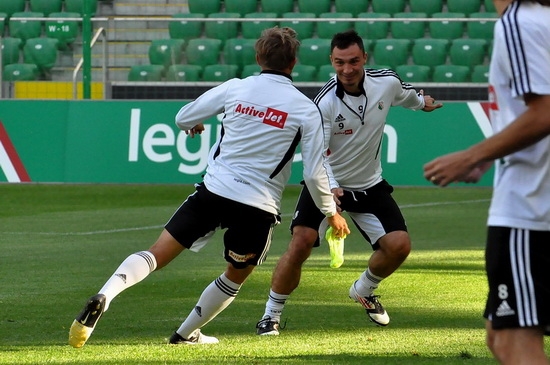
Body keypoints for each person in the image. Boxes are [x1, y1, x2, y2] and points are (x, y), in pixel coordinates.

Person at [68, 26, 350, 348]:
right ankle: (185, 333)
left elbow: (183, 116)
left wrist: (193, 124)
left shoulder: (236, 88)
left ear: (258, 57)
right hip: (257, 205)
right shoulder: (305, 109)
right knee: (236, 272)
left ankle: (106, 294)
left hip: (214, 191)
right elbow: (314, 175)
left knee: (157, 253)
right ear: (294, 62)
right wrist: (330, 213)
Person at [256, 29, 442, 335]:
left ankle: (363, 290)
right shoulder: (324, 102)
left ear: (364, 59)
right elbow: (317, 155)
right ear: (331, 60)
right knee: (300, 243)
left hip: (369, 183)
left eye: (354, 61)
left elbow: (407, 95)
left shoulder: (386, 82)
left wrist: (423, 103)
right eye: (340, 62)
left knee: (399, 246)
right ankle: (271, 314)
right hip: (327, 182)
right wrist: (330, 189)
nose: (347, 69)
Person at [423, 1, 550, 363]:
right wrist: (492, 154)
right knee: (498, 334)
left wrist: (471, 155)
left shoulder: (518, 21)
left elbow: (545, 111)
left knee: (513, 341)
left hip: (530, 206)